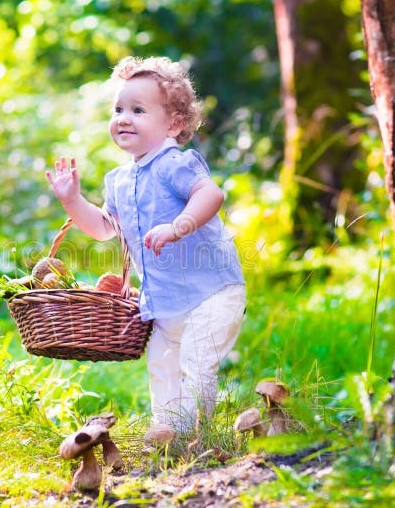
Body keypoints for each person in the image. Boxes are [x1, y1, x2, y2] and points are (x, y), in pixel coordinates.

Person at [45, 56, 246, 441]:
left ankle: (193, 438)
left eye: (138, 110)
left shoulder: (176, 164)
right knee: (163, 365)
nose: (124, 117)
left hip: (213, 292)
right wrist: (73, 201)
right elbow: (105, 229)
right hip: (166, 301)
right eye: (119, 109)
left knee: (196, 360)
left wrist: (178, 225)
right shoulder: (119, 180)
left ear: (173, 123)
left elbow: (211, 194)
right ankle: (167, 434)